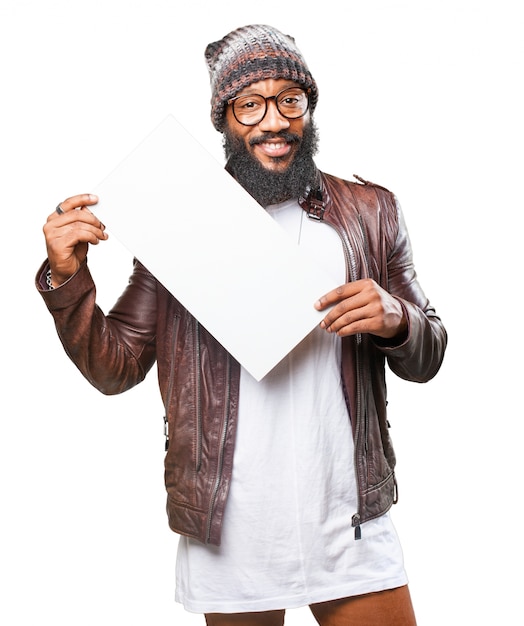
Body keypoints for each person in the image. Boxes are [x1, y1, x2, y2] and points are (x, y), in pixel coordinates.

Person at [36, 24, 447, 626]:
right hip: (230, 524)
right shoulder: (181, 225)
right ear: (224, 119)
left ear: (308, 108)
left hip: (349, 518)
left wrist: (397, 320)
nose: (273, 122)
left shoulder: (370, 211)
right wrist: (66, 276)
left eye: (290, 99)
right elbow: (113, 366)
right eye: (249, 104)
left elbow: (430, 352)